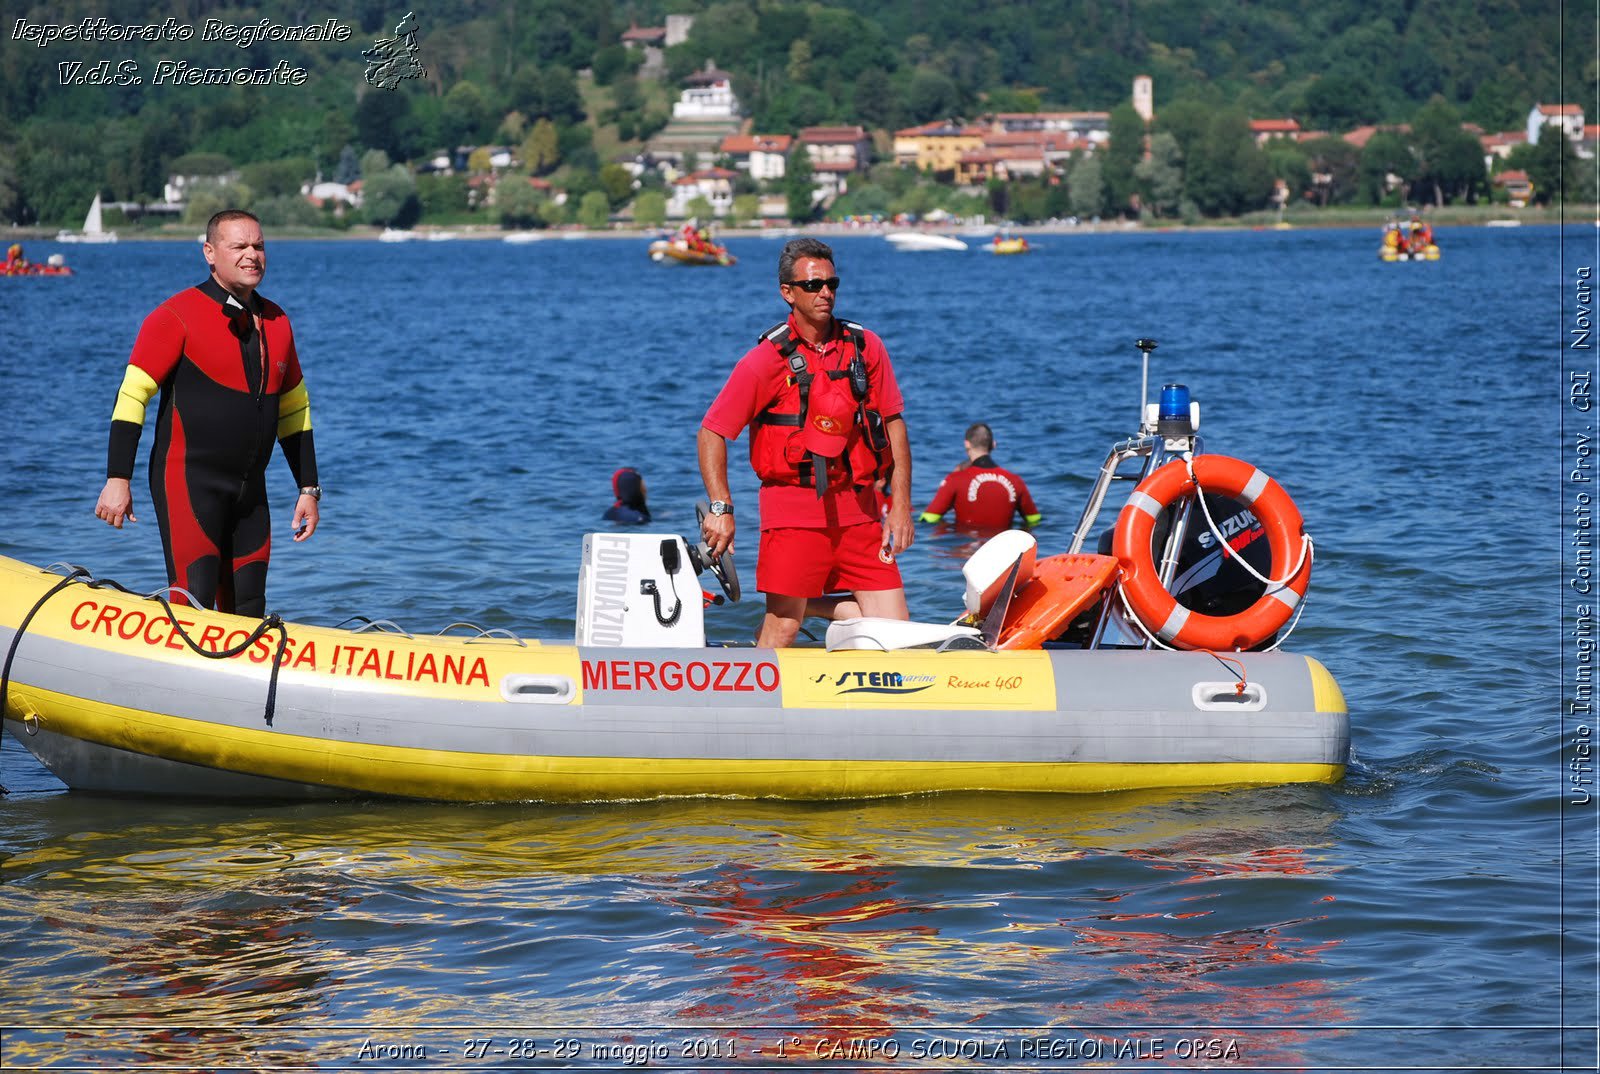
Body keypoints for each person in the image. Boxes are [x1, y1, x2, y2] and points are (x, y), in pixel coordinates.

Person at [94, 209, 320, 617]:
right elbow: (132, 396)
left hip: (251, 493)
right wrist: (117, 478)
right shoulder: (175, 316)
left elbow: (294, 410)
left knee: (250, 609)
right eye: (240, 246)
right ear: (210, 253)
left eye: (259, 246)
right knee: (192, 603)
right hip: (189, 483)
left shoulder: (278, 321)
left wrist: (308, 489)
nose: (252, 255)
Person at [699, 236, 915, 648]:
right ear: (788, 293)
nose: (826, 293)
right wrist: (721, 507)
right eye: (813, 286)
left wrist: (901, 505)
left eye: (832, 283)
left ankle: (810, 606)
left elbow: (894, 425)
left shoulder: (866, 346)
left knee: (896, 632)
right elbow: (712, 431)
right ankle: (756, 699)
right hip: (793, 513)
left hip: (861, 513)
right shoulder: (765, 360)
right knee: (784, 628)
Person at [918, 422, 1042, 534]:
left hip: (965, 553)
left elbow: (929, 519)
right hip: (1005, 553)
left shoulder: (955, 480)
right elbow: (1034, 520)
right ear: (993, 445)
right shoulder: (1016, 481)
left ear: (967, 444)